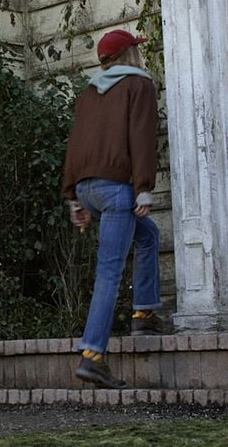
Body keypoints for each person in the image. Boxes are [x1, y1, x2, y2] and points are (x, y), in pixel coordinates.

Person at [61, 29, 170, 390]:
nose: (141, 57)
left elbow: (75, 142)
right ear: (129, 55)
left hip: (88, 187)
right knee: (108, 272)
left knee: (148, 236)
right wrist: (143, 189)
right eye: (136, 51)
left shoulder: (89, 93)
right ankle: (92, 356)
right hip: (117, 191)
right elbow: (141, 136)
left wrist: (74, 197)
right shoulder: (138, 85)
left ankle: (144, 312)